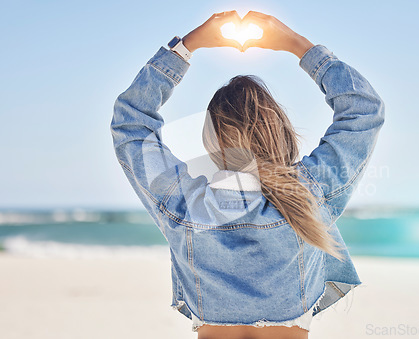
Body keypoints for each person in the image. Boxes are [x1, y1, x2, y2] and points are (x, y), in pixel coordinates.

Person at [111, 10, 385, 339]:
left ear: (211, 142)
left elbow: (131, 123)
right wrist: (296, 44)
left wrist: (186, 47)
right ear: (281, 133)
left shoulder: (185, 204)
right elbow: (363, 108)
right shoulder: (309, 191)